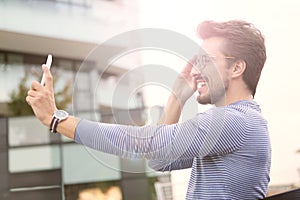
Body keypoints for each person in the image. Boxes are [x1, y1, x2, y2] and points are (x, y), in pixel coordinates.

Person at [26, 20, 271, 199]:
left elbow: (146, 143)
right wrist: (176, 98)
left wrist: (57, 120)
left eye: (206, 60)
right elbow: (160, 160)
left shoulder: (236, 122)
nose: (196, 70)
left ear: (237, 68)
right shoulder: (237, 125)